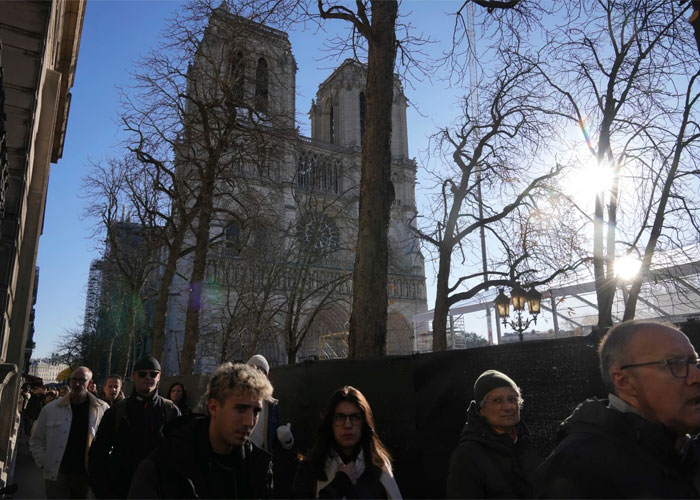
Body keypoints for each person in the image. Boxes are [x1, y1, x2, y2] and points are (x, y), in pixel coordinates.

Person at [537, 320, 700, 498]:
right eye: (674, 363)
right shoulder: (580, 467)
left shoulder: (684, 451)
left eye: (694, 362)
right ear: (624, 382)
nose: (696, 376)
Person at [128, 362, 274, 498]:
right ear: (213, 407)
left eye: (256, 411)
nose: (249, 422)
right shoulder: (165, 464)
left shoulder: (257, 467)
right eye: (240, 409)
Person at [88, 356, 179, 498]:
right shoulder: (117, 411)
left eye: (153, 373)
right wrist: (102, 490)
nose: (148, 377)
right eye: (142, 374)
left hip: (157, 491)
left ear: (159, 376)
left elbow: (180, 455)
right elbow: (98, 453)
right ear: (133, 376)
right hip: (121, 490)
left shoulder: (170, 411)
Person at [292, 386, 402, 499]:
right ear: (331, 422)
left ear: (364, 422)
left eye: (355, 417)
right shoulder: (310, 467)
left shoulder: (379, 467)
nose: (348, 425)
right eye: (340, 417)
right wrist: (340, 483)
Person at [446, 370, 540, 498]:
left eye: (512, 399)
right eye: (497, 400)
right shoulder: (468, 456)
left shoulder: (525, 443)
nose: (508, 407)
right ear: (481, 409)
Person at [29, 366, 109, 499]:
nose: (77, 384)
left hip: (85, 476)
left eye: (81, 380)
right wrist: (44, 462)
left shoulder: (102, 409)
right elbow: (36, 439)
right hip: (57, 474)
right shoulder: (51, 409)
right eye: (74, 380)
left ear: (89, 383)